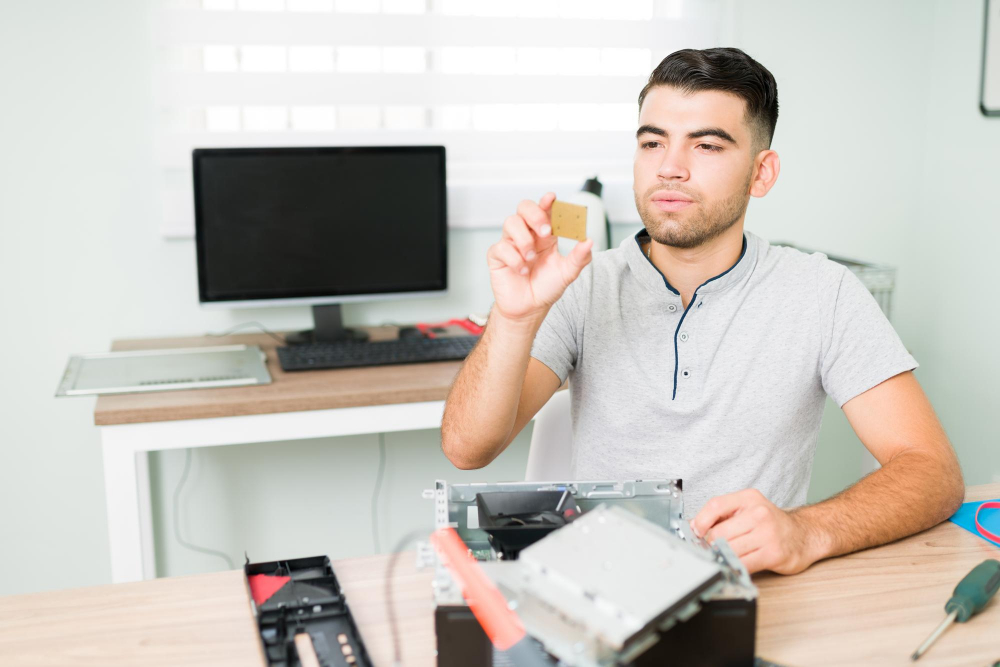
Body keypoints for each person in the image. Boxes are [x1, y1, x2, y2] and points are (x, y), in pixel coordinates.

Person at [440, 47, 964, 575]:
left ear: (762, 174)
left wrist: (806, 531)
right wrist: (513, 318)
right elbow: (467, 449)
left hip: (747, 591)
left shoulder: (822, 293)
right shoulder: (582, 284)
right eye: (652, 142)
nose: (670, 167)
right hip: (599, 585)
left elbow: (932, 470)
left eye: (707, 145)